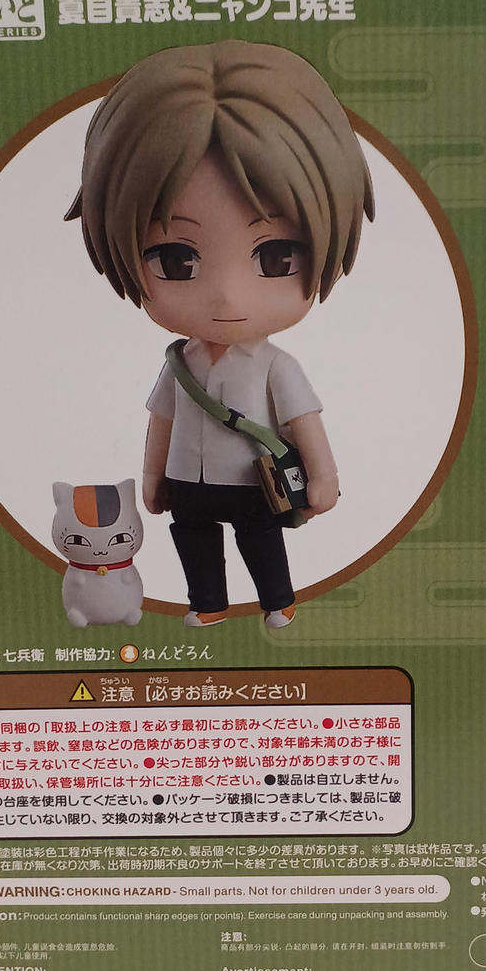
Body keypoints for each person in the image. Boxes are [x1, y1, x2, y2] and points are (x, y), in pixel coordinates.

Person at [66, 40, 374, 628]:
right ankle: (207, 603)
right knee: (195, 541)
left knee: (261, 539)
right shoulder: (178, 363)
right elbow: (161, 420)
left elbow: (303, 422)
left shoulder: (275, 365)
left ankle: (277, 600)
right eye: (176, 260)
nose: (228, 297)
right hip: (188, 478)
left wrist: (325, 478)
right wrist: (152, 477)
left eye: (276, 257)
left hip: (252, 477)